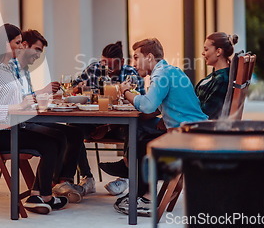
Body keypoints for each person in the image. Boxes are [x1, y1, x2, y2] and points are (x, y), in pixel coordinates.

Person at [112, 38, 208, 216]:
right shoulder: (170, 71)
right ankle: (140, 194)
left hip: (188, 136)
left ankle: (146, 198)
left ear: (149, 57)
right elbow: (157, 106)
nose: (133, 63)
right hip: (194, 130)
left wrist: (126, 93)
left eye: (135, 57)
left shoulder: (161, 74)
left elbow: (148, 106)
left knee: (143, 145)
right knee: (142, 140)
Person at [0, 23, 68, 214]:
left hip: (15, 126)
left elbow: (18, 99)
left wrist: (28, 102)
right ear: (5, 43)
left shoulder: (8, 70)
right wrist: (19, 106)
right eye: (17, 43)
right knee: (50, 144)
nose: (21, 47)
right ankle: (44, 196)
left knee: (57, 137)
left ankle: (38, 194)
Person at [19, 29, 86, 203]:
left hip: (27, 119)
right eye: (37, 50)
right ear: (24, 45)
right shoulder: (11, 70)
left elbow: (27, 98)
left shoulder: (23, 69)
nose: (39, 55)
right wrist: (42, 92)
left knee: (75, 133)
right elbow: (18, 101)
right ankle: (45, 191)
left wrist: (47, 97)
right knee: (57, 137)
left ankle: (62, 181)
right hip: (21, 123)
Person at [71, 41, 146, 197]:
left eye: (113, 66)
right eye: (105, 64)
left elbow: (139, 104)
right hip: (94, 122)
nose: (108, 70)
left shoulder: (132, 74)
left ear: (122, 62)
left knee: (133, 128)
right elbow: (73, 87)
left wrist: (107, 126)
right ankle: (87, 177)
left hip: (119, 126)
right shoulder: (94, 69)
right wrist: (78, 88)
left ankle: (125, 177)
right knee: (72, 128)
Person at [196, 32, 239, 119]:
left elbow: (206, 113)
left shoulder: (221, 80)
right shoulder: (218, 76)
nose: (203, 53)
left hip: (200, 125)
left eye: (206, 49)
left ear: (218, 51)